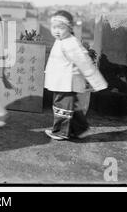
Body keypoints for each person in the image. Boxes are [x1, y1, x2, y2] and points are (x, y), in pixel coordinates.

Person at [44, 10, 108, 140]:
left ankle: (61, 132)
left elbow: (84, 62)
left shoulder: (71, 42)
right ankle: (79, 130)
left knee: (63, 107)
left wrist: (96, 81)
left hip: (67, 83)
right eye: (54, 27)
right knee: (71, 107)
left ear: (69, 28)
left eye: (61, 28)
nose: (57, 31)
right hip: (60, 82)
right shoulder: (60, 40)